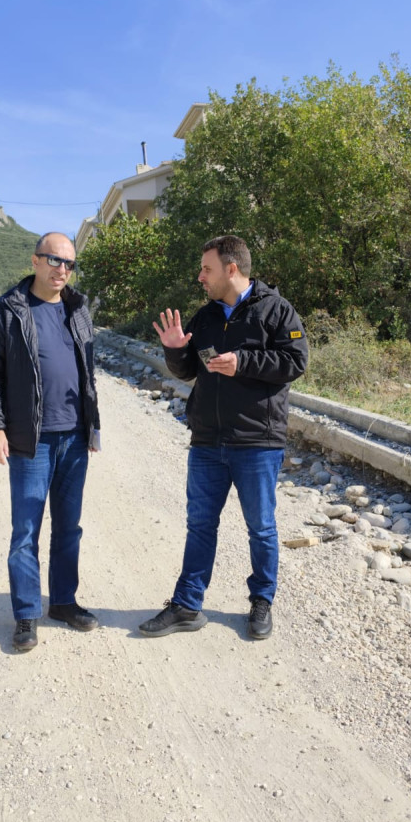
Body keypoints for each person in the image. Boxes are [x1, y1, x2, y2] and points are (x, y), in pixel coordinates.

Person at [139, 235, 308, 641]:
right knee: (200, 525)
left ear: (231, 269)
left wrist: (242, 362)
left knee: (261, 528)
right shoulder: (206, 316)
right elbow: (188, 371)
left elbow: (295, 361)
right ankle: (186, 605)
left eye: (207, 269)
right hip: (207, 441)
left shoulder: (277, 311)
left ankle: (261, 601)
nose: (201, 277)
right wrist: (175, 350)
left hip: (257, 441)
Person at [0, 232, 101, 652]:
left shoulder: (78, 308)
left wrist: (93, 425)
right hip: (31, 441)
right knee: (26, 530)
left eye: (69, 263)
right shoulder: (7, 309)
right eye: (54, 260)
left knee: (69, 528)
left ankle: (63, 602)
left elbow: (88, 371)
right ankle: (27, 614)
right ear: (35, 260)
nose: (62, 269)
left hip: (74, 437)